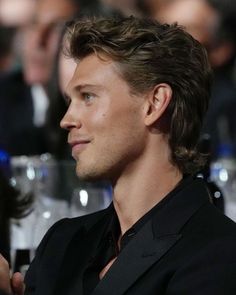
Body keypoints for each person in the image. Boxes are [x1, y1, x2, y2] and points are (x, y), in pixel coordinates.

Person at [2, 16, 236, 295]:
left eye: (88, 97)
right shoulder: (62, 243)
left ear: (154, 103)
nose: (67, 119)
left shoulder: (219, 254)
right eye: (69, 101)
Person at [156, 0, 236, 159]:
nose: (167, 42)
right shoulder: (152, 97)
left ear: (220, 49)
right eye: (163, 29)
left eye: (185, 29)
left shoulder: (226, 107)